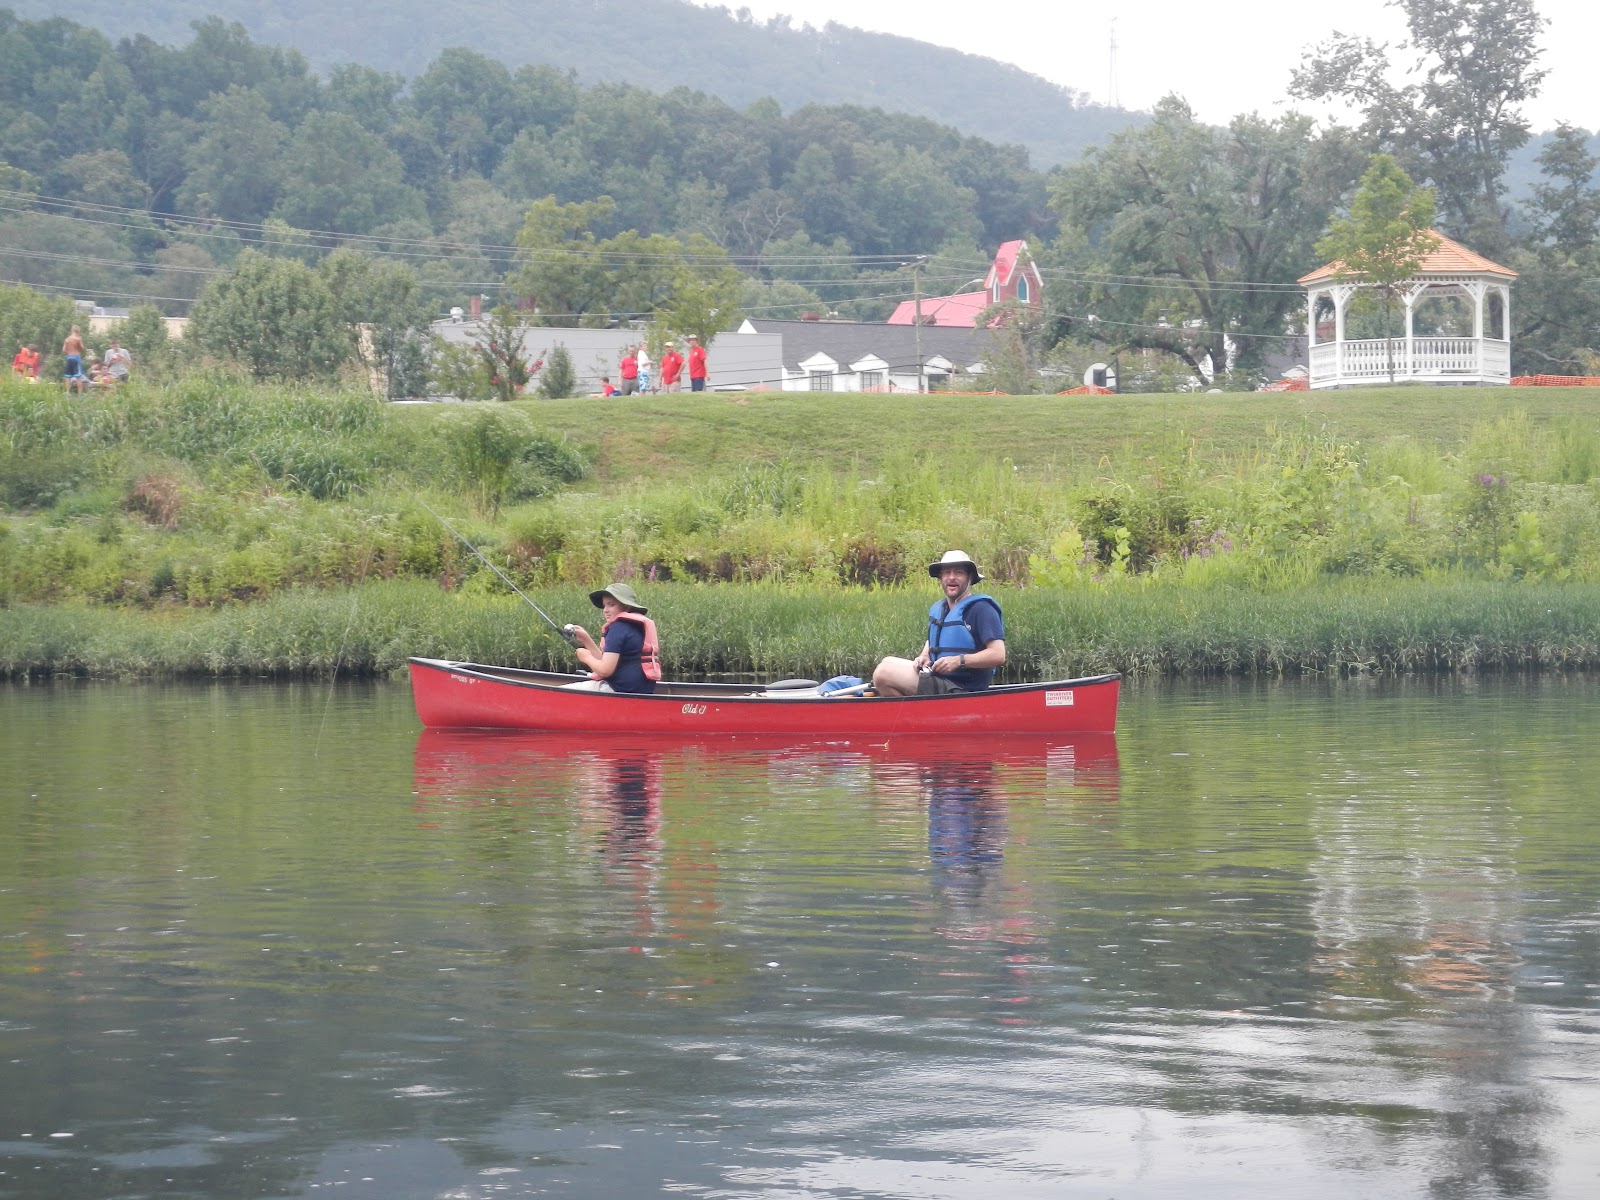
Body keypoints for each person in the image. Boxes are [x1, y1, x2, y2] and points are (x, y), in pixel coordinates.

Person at [871, 550, 1005, 697]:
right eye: (946, 573)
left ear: (970, 577)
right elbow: (934, 639)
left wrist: (958, 661)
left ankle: (913, 717)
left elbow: (998, 654)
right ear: (940, 578)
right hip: (938, 679)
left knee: (883, 674)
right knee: (887, 661)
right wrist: (924, 656)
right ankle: (919, 716)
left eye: (958, 572)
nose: (951, 577)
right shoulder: (941, 608)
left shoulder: (982, 609)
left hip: (963, 690)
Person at [564, 582, 661, 695]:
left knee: (560, 693)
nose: (605, 610)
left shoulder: (618, 628)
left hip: (619, 689)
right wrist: (586, 639)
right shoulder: (634, 626)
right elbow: (605, 661)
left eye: (611, 605)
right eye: (604, 605)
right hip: (639, 689)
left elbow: (605, 670)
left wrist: (586, 657)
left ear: (626, 606)